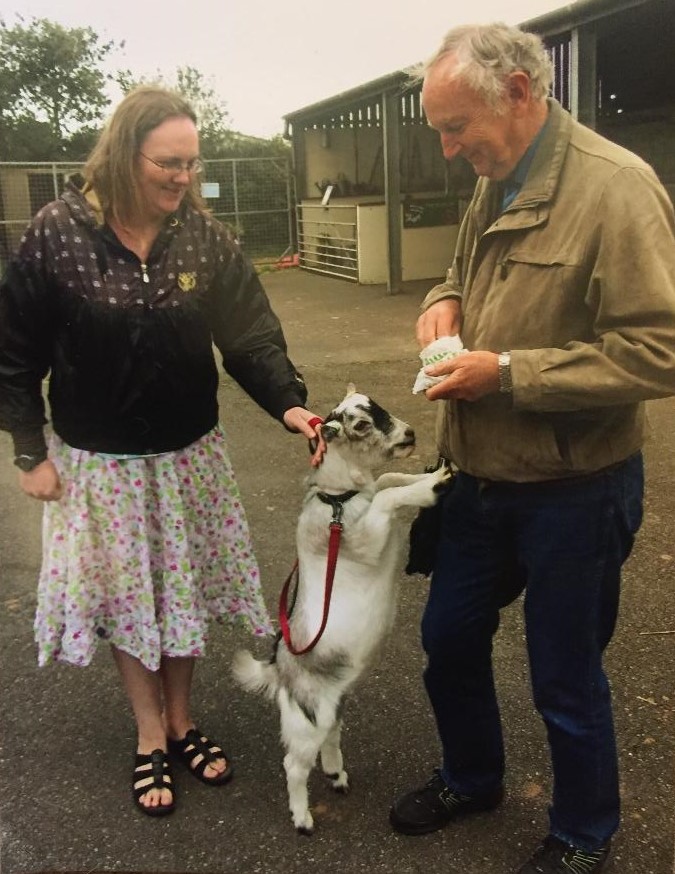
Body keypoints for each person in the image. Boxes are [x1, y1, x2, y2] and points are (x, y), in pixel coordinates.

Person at [389, 23, 675, 874]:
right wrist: (442, 303)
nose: (446, 149)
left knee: (563, 673)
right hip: (478, 477)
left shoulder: (616, 188)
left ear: (517, 93)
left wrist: (508, 372)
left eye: (453, 127)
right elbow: (462, 271)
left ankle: (585, 835)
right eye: (437, 129)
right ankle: (472, 778)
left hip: (574, 488)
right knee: (448, 640)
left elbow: (659, 348)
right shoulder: (499, 174)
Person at [0, 85, 325, 818]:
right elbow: (14, 353)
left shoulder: (203, 237)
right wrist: (30, 451)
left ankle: (181, 720)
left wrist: (291, 403)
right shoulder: (57, 234)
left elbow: (250, 336)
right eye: (168, 163)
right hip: (98, 464)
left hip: (188, 458)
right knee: (128, 599)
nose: (183, 177)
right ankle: (149, 732)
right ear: (124, 155)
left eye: (192, 162)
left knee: (180, 594)